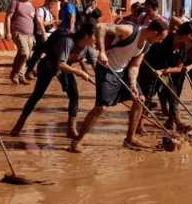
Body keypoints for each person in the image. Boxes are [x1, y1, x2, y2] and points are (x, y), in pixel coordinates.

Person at [70, 19, 169, 153]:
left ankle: (130, 138)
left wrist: (133, 84)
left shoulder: (146, 45)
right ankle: (77, 141)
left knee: (140, 99)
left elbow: (134, 66)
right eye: (161, 38)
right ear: (154, 33)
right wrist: (102, 52)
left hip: (122, 71)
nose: (161, 41)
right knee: (101, 107)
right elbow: (100, 26)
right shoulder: (130, 31)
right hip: (106, 68)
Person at [10, 24, 97, 138]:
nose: (99, 38)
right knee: (37, 95)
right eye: (96, 36)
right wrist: (80, 72)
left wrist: (103, 83)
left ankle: (71, 129)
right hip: (49, 65)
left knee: (74, 95)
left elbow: (95, 67)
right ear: (86, 36)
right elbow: (61, 65)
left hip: (65, 67)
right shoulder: (68, 41)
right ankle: (19, 125)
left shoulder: (88, 47)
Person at [137, 22, 192, 134]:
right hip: (149, 70)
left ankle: (178, 124)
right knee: (147, 97)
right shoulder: (164, 39)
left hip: (163, 72)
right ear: (184, 34)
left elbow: (179, 68)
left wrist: (164, 71)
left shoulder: (183, 47)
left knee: (173, 95)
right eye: (191, 35)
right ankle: (139, 125)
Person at [5, 0, 47, 85]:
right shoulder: (16, 3)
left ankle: (21, 76)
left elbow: (38, 21)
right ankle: (15, 73)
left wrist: (44, 33)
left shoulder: (33, 7)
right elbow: (8, 17)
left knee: (24, 56)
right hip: (18, 33)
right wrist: (8, 32)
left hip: (30, 35)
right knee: (25, 53)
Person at [25, 0, 61, 80]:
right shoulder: (40, 10)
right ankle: (29, 70)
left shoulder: (48, 11)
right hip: (42, 34)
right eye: (52, 4)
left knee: (51, 52)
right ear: (47, 1)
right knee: (38, 53)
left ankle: (36, 69)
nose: (52, 6)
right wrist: (53, 21)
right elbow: (41, 23)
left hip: (49, 35)